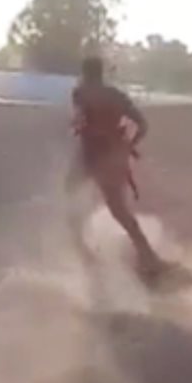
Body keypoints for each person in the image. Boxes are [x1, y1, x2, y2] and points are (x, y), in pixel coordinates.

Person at [66, 55, 167, 287]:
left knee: (70, 197)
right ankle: (148, 256)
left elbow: (79, 120)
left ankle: (83, 251)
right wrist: (129, 145)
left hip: (90, 156)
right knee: (119, 210)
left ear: (85, 73)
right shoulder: (116, 96)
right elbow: (143, 125)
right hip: (113, 156)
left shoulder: (80, 93)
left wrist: (77, 126)